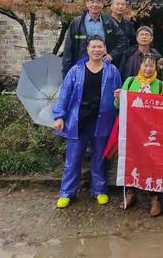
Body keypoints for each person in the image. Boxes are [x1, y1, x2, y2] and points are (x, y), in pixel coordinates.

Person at [53, 35, 121, 208]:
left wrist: (119, 99)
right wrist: (59, 116)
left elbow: (119, 98)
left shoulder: (112, 70)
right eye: (94, 47)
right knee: (73, 159)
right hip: (78, 120)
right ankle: (67, 192)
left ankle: (99, 190)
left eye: (100, 47)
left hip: (103, 120)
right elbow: (65, 94)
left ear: (104, 49)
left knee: (99, 158)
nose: (97, 50)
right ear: (87, 49)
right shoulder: (76, 70)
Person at [114, 53, 163, 216]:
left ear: (156, 67)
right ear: (140, 66)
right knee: (132, 160)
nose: (148, 69)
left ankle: (155, 198)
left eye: (151, 66)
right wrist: (117, 98)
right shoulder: (130, 82)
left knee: (153, 163)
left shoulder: (161, 85)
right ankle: (131, 193)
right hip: (133, 130)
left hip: (153, 131)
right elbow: (118, 107)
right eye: (145, 65)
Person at [62, 0, 125, 76]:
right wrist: (66, 71)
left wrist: (112, 55)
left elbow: (122, 40)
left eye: (98, 2)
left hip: (104, 65)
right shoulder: (77, 22)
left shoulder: (109, 21)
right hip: (81, 65)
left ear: (102, 4)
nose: (95, 5)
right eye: (92, 2)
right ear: (87, 4)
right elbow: (68, 48)